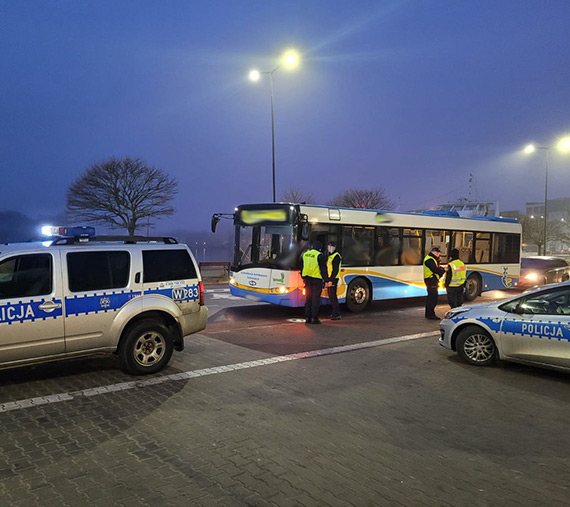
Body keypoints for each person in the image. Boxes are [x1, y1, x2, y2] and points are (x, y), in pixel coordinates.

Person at [301, 240, 328, 324]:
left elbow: (302, 267)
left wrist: (303, 276)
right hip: (316, 280)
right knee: (315, 299)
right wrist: (326, 280)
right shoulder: (320, 256)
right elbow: (323, 269)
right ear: (320, 248)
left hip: (307, 279)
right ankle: (314, 318)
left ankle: (307, 318)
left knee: (308, 298)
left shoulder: (305, 254)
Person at [423, 246, 445, 320]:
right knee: (433, 298)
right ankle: (430, 315)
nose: (439, 254)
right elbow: (435, 269)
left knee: (431, 297)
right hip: (431, 280)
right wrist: (443, 271)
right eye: (438, 253)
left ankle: (429, 314)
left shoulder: (432, 259)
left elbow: (436, 268)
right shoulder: (430, 260)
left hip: (431, 280)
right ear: (435, 252)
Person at [325, 241, 342, 320]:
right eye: (329, 247)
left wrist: (331, 280)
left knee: (333, 296)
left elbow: (335, 270)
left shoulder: (336, 256)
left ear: (334, 248)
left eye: (331, 247)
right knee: (331, 296)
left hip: (333, 279)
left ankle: (336, 314)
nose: (330, 248)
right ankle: (334, 313)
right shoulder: (330, 256)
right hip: (330, 278)